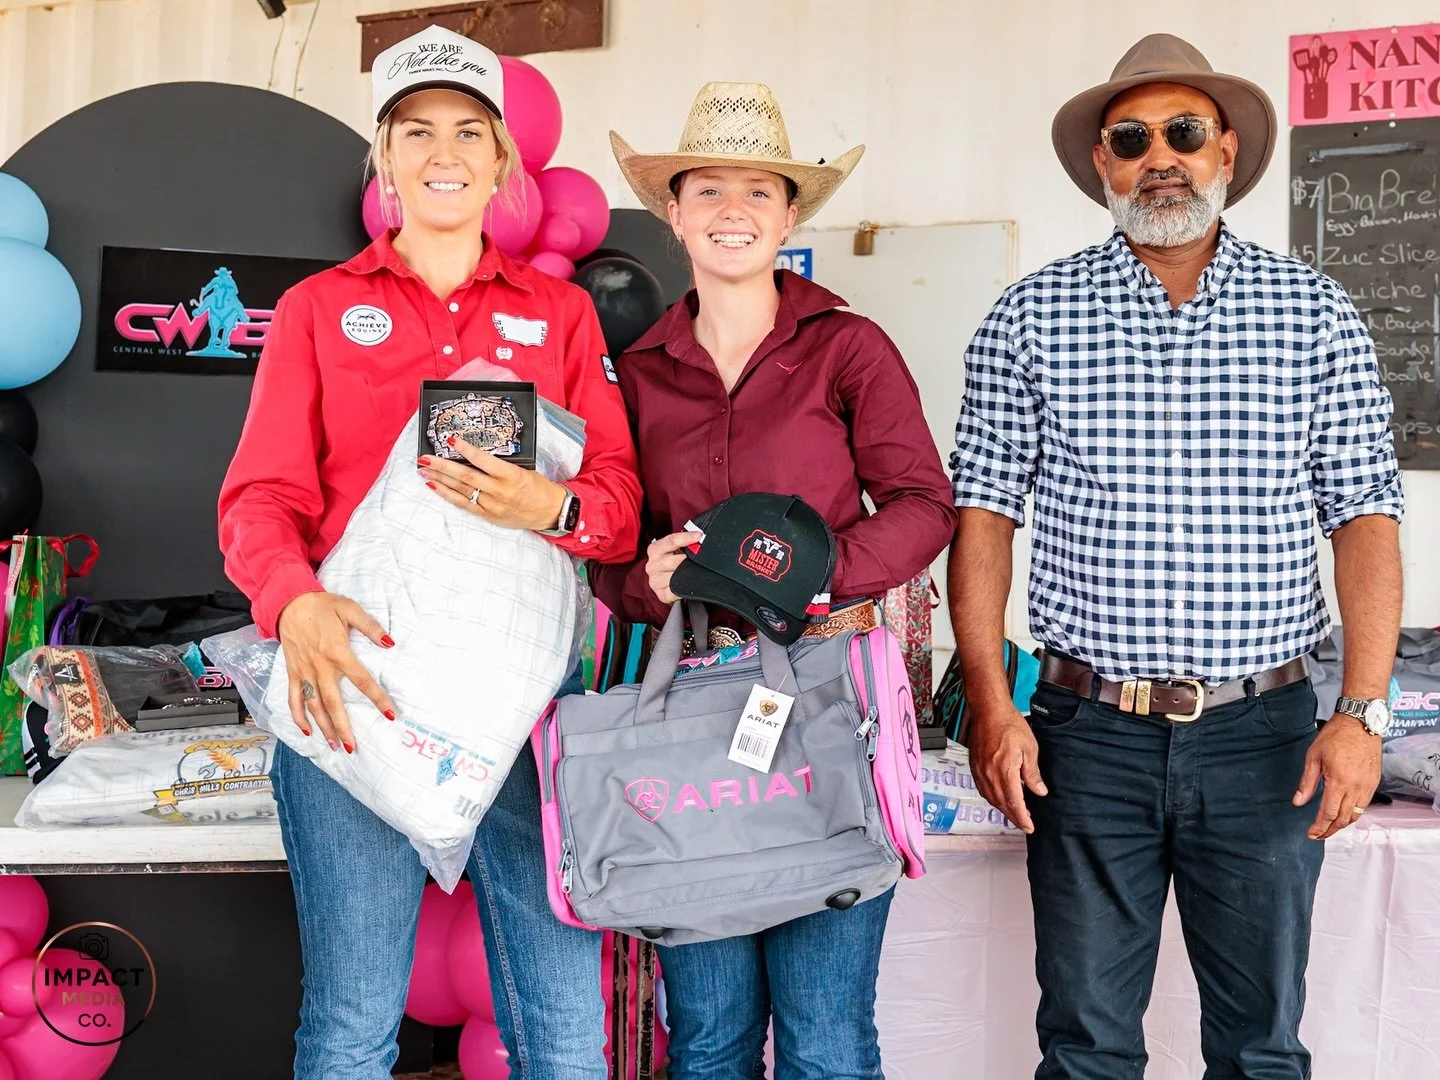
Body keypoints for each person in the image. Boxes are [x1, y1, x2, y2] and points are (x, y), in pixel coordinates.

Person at [948, 33, 1404, 1080]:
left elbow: (1367, 516)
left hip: (1268, 739)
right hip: (1084, 735)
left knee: (1258, 1048)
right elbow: (982, 515)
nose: (1161, 156)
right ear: (1102, 163)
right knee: (1085, 1046)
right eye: (1133, 138)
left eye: (1184, 133)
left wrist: (1362, 712)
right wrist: (991, 702)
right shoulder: (1030, 317)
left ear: (1227, 153)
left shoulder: (1316, 314)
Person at [217, 25, 640, 1080]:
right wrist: (293, 605)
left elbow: (620, 508)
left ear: (503, 160)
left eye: (467, 131)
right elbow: (258, 499)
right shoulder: (319, 310)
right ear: (386, 158)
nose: (442, 152)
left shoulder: (563, 315)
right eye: (416, 132)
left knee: (564, 1028)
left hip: (523, 715)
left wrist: (553, 503)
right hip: (350, 700)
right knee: (354, 1023)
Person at [593, 82, 956, 1079]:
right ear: (674, 212)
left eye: (758, 190)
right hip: (695, 706)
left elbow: (926, 504)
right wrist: (644, 580)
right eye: (708, 189)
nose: (733, 210)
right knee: (706, 1035)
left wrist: (827, 575)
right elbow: (609, 553)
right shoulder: (640, 370)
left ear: (792, 213)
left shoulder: (849, 347)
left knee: (825, 1036)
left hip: (833, 694)